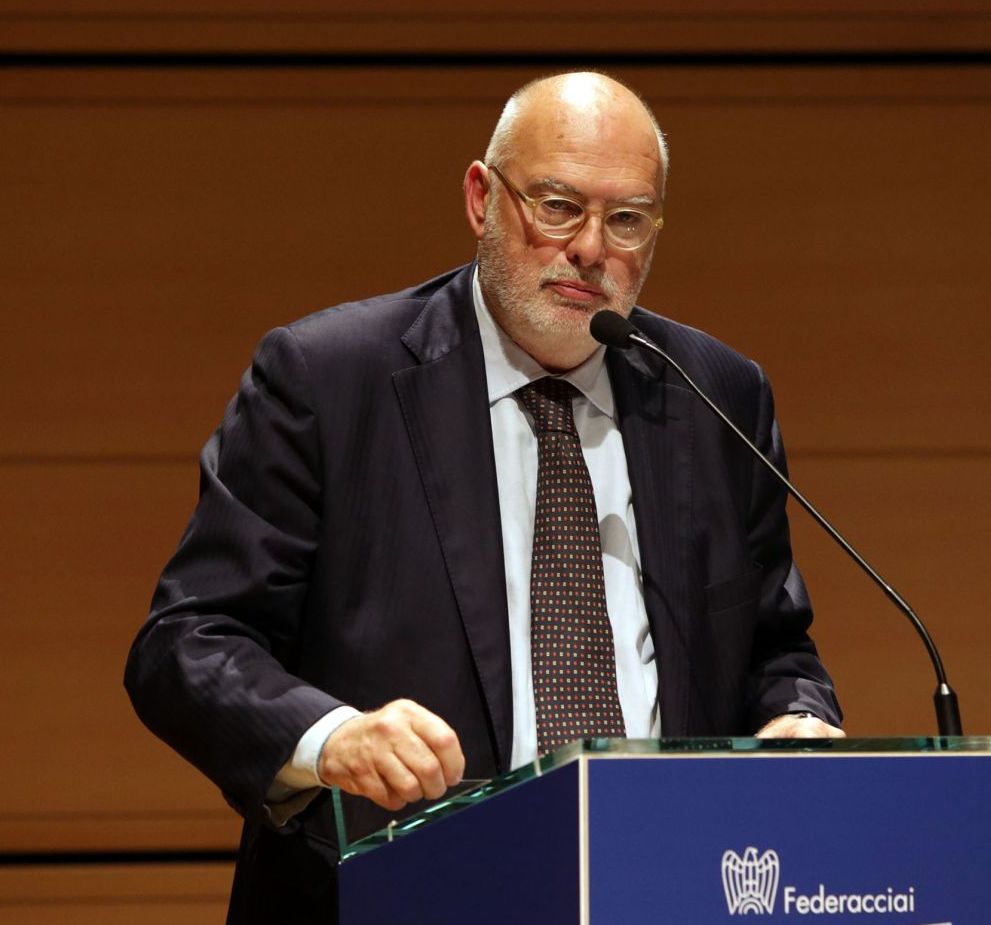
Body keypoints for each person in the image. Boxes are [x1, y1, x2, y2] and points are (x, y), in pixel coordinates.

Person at [125, 71, 842, 924]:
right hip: (396, 896)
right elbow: (187, 642)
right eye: (558, 206)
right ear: (480, 198)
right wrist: (331, 736)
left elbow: (774, 646)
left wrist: (797, 717)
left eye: (626, 219)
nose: (590, 249)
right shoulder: (328, 381)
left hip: (660, 888)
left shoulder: (714, 394)